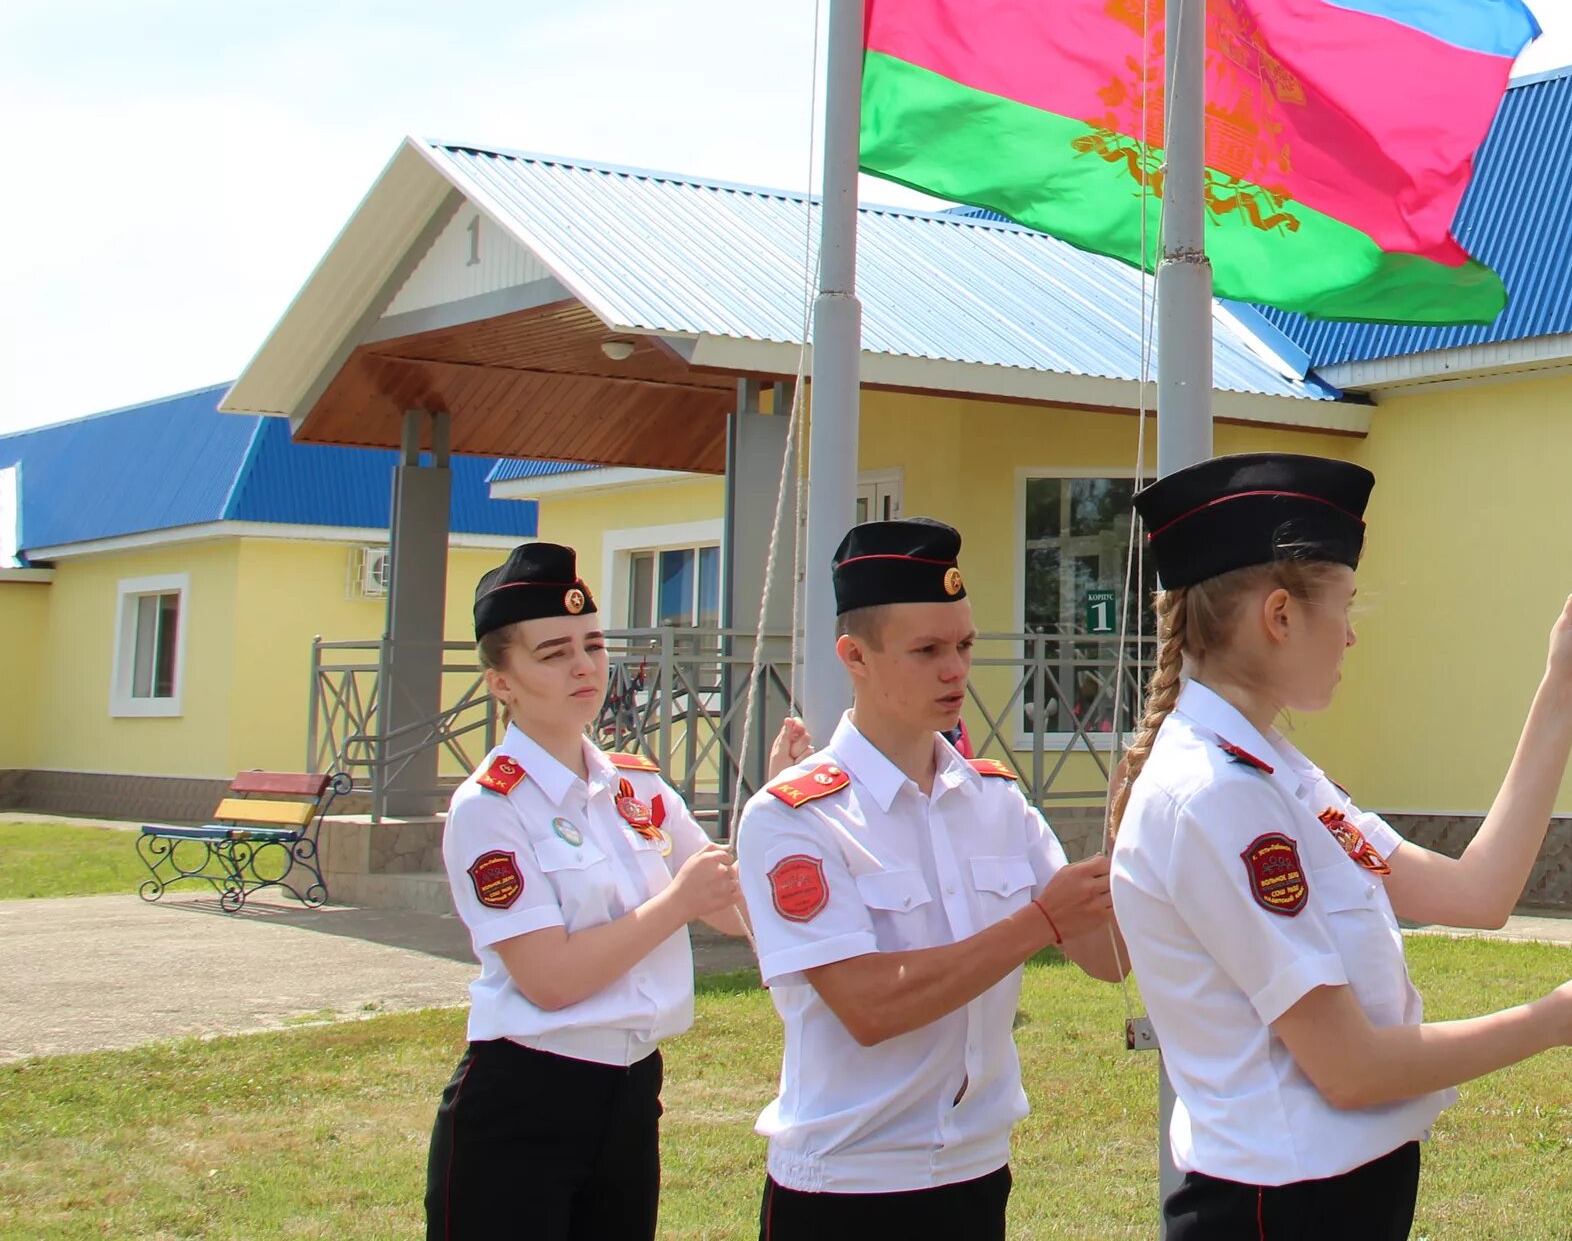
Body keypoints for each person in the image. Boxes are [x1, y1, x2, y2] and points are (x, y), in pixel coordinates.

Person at [1108, 452, 1572, 1240]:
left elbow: (1476, 894)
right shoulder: (1219, 796)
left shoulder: (1275, 773)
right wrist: (1549, 1022)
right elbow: (1351, 1069)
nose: (1353, 636)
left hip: (1331, 1196)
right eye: (1345, 607)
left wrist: (1561, 689)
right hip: (1281, 1210)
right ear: (1280, 616)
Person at [738, 517, 1127, 1238]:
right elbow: (867, 1008)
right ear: (853, 655)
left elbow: (1107, 960)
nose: (955, 671)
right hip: (848, 1190)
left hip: (976, 1174)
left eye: (965, 645)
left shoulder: (994, 799)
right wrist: (1038, 923)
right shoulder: (796, 817)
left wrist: (1136, 851)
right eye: (927, 651)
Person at [429, 540, 787, 1241]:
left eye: (592, 644)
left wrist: (784, 809)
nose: (584, 665)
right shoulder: (490, 807)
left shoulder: (636, 783)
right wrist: (675, 904)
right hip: (523, 1099)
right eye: (552, 651)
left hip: (630, 1093)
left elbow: (728, 904)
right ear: (502, 680)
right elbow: (550, 980)